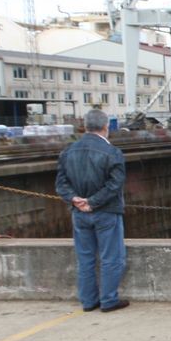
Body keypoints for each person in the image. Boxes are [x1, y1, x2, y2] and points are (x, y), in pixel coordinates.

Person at [55, 108, 129, 313]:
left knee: (85, 258)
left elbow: (61, 184)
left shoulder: (68, 151)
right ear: (106, 127)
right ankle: (109, 299)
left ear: (85, 126)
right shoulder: (112, 153)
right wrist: (93, 202)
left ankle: (88, 301)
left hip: (79, 212)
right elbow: (115, 184)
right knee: (111, 257)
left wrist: (75, 199)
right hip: (106, 211)